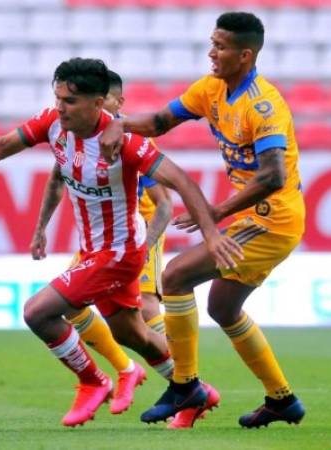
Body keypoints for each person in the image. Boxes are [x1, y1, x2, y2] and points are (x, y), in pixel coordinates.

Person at [0, 57, 242, 427]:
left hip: (120, 253)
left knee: (38, 312)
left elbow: (182, 181)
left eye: (69, 101)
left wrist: (211, 234)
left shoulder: (127, 143)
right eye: (57, 98)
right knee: (132, 333)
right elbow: (7, 144)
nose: (60, 107)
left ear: (98, 102)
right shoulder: (53, 125)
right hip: (94, 248)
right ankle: (192, 389)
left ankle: (93, 381)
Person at [99, 12, 306, 429]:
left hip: (272, 219)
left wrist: (216, 212)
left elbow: (272, 176)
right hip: (252, 216)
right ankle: (282, 399)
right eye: (211, 43)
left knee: (175, 277)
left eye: (221, 46)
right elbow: (160, 123)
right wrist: (115, 125)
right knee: (223, 308)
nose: (212, 52)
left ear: (245, 55)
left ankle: (185, 384)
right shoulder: (211, 89)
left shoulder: (263, 105)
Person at [29, 69, 220, 417]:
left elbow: (164, 203)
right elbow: (59, 176)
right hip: (97, 241)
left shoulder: (128, 142)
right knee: (98, 317)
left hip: (135, 237)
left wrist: (146, 247)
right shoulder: (74, 137)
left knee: (144, 312)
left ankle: (182, 383)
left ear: (116, 102)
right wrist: (41, 227)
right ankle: (156, 378)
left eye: (116, 104)